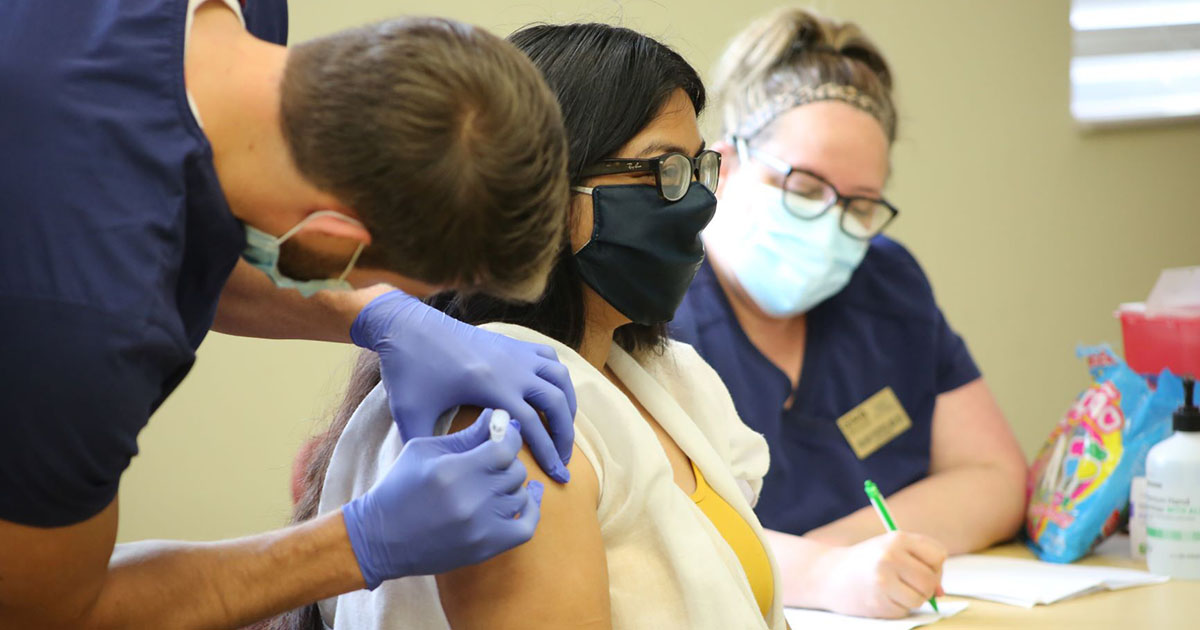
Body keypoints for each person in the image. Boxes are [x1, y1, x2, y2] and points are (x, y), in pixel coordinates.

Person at [0, 1, 580, 627]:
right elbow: (49, 609)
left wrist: (378, 315)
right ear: (333, 234)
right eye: (394, 283)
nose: (388, 296)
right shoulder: (82, 328)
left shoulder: (240, 20)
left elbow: (187, 221)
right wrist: (355, 543)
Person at [274, 22, 788, 630]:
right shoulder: (515, 417)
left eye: (699, 169)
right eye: (664, 171)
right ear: (545, 192)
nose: (699, 201)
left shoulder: (668, 379)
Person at [670, 7, 1028, 619]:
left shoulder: (887, 288)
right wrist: (820, 574)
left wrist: (839, 550)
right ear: (725, 167)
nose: (833, 224)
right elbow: (655, 525)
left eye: (861, 206)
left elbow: (995, 478)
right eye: (807, 189)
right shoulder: (654, 306)